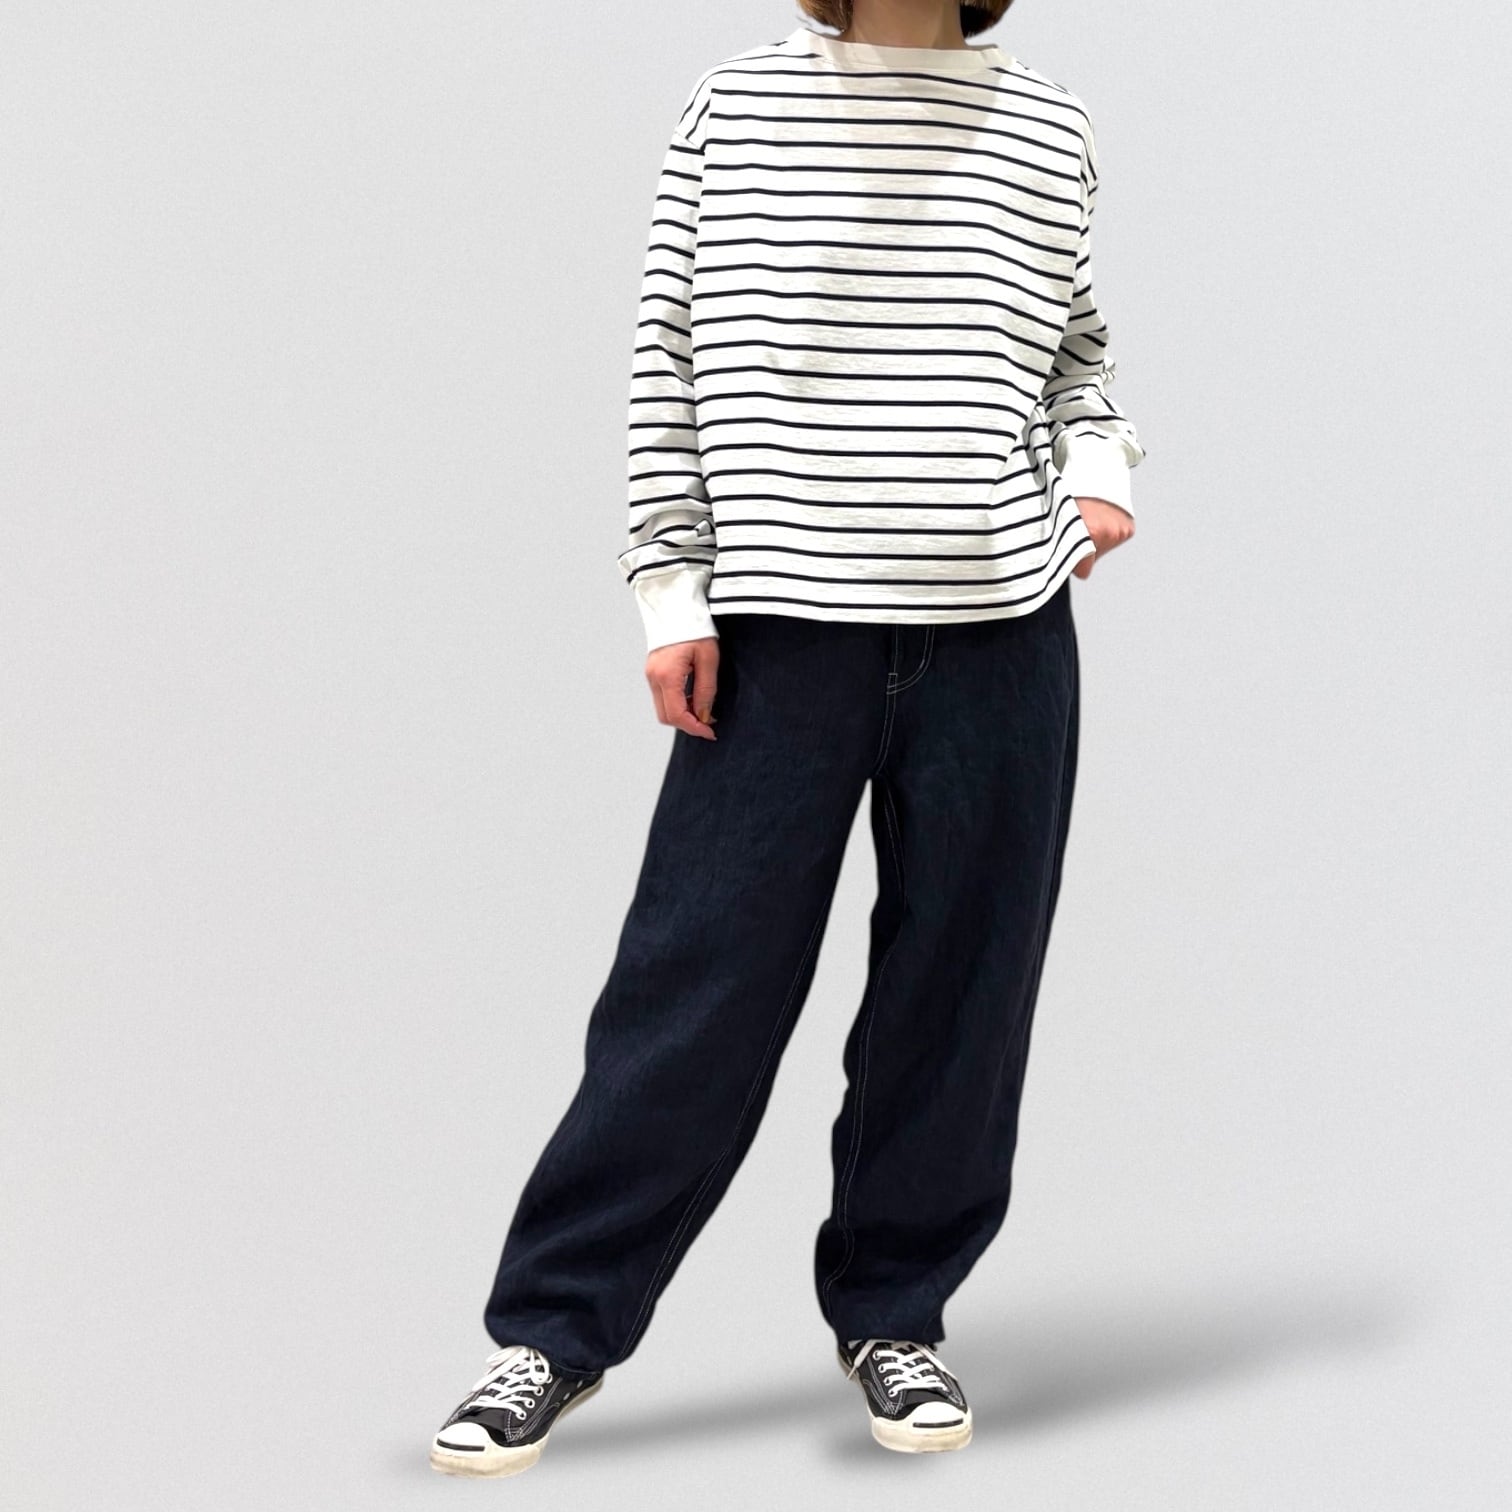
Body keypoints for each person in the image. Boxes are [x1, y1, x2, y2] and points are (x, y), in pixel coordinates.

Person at [430, 0, 1145, 1476]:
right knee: (696, 985)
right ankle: (553, 1328)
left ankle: (896, 1312)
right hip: (780, 625)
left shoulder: (1050, 122)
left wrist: (1101, 464)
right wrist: (669, 586)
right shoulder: (737, 108)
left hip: (1001, 627)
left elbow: (1078, 348)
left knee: (963, 992)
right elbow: (669, 356)